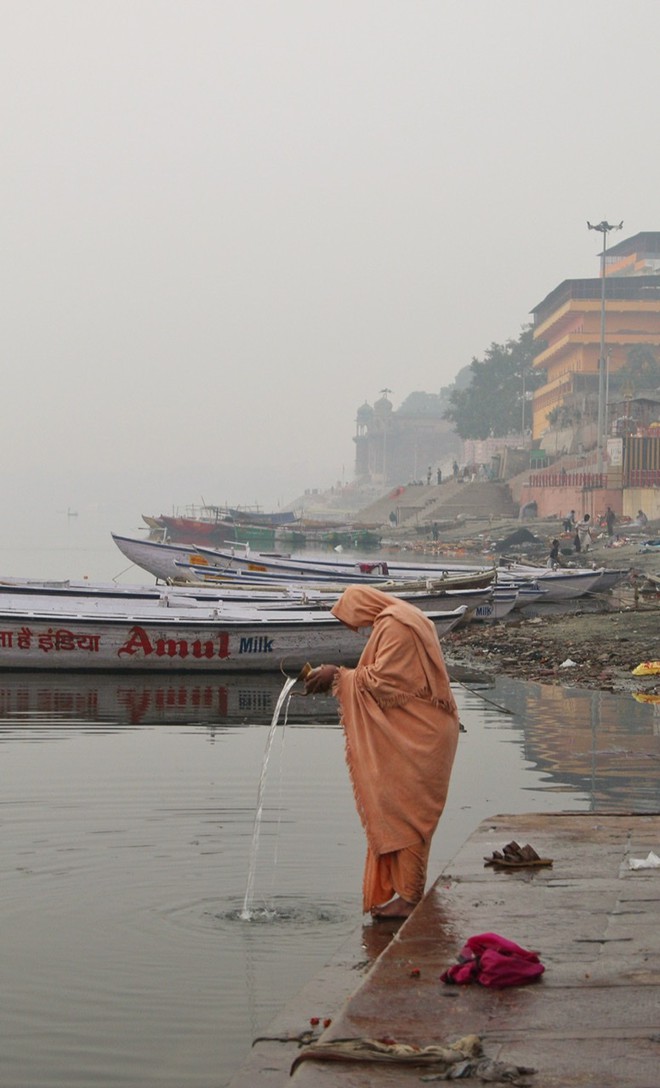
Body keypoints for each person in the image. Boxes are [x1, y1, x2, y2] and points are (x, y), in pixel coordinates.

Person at [304, 586, 459, 920]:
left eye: (351, 620)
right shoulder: (409, 616)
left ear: (361, 606)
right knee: (403, 808)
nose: (357, 629)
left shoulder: (395, 624)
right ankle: (405, 892)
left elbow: (385, 681)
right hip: (427, 727)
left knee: (407, 811)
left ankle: (409, 897)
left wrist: (337, 675)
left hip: (421, 734)